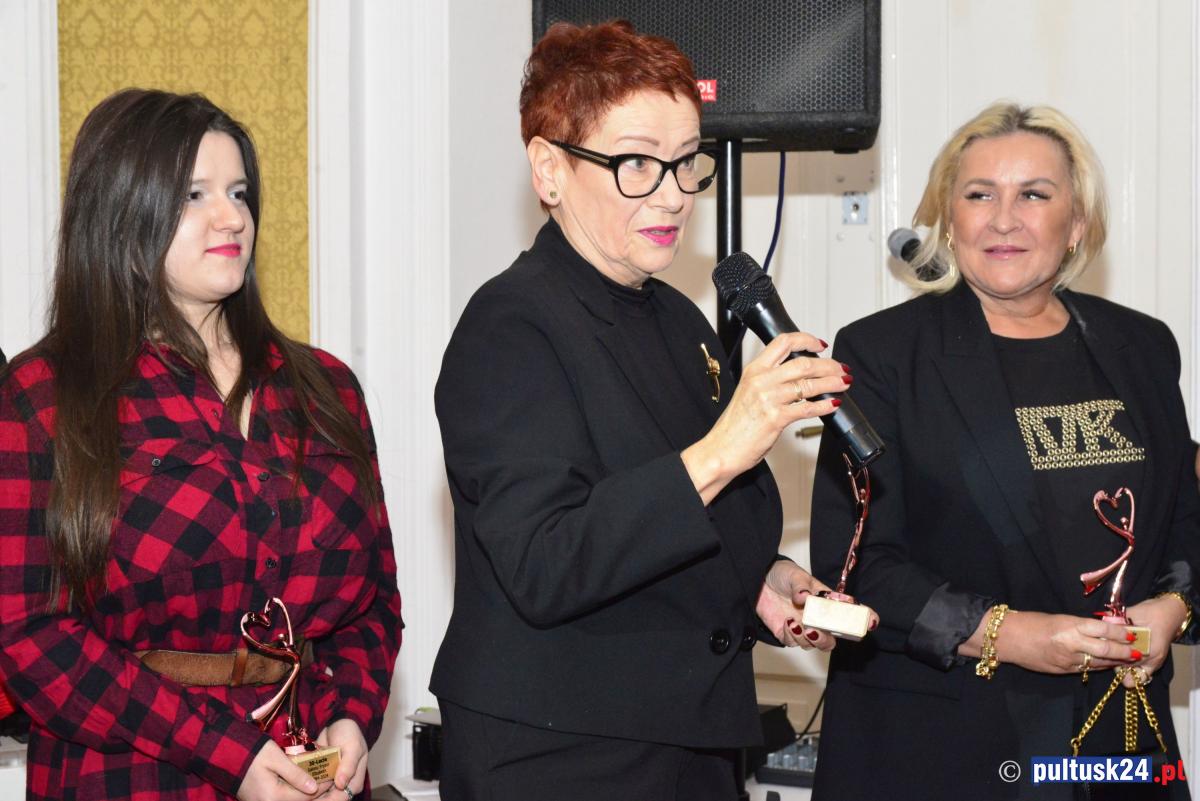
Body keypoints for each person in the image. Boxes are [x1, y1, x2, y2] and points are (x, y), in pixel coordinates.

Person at [431, 20, 872, 801]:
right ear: (550, 169)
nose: (673, 194)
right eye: (636, 162)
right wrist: (725, 446)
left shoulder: (677, 318)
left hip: (691, 743)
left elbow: (683, 525)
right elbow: (546, 562)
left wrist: (763, 582)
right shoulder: (509, 325)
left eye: (686, 161)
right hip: (560, 756)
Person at [0, 89, 401, 801]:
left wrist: (351, 715)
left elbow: (372, 603)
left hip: (315, 773)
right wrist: (227, 753)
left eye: (239, 192)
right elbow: (30, 639)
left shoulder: (327, 388)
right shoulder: (44, 396)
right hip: (131, 775)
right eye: (194, 194)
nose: (233, 217)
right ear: (121, 210)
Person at [809, 102, 1200, 800]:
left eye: (1035, 195)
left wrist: (1174, 605)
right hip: (950, 747)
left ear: (1076, 223)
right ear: (949, 218)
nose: (1004, 219)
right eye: (979, 195)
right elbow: (858, 562)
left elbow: (1183, 517)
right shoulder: (882, 354)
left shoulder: (1142, 346)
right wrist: (1009, 634)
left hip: (1118, 745)